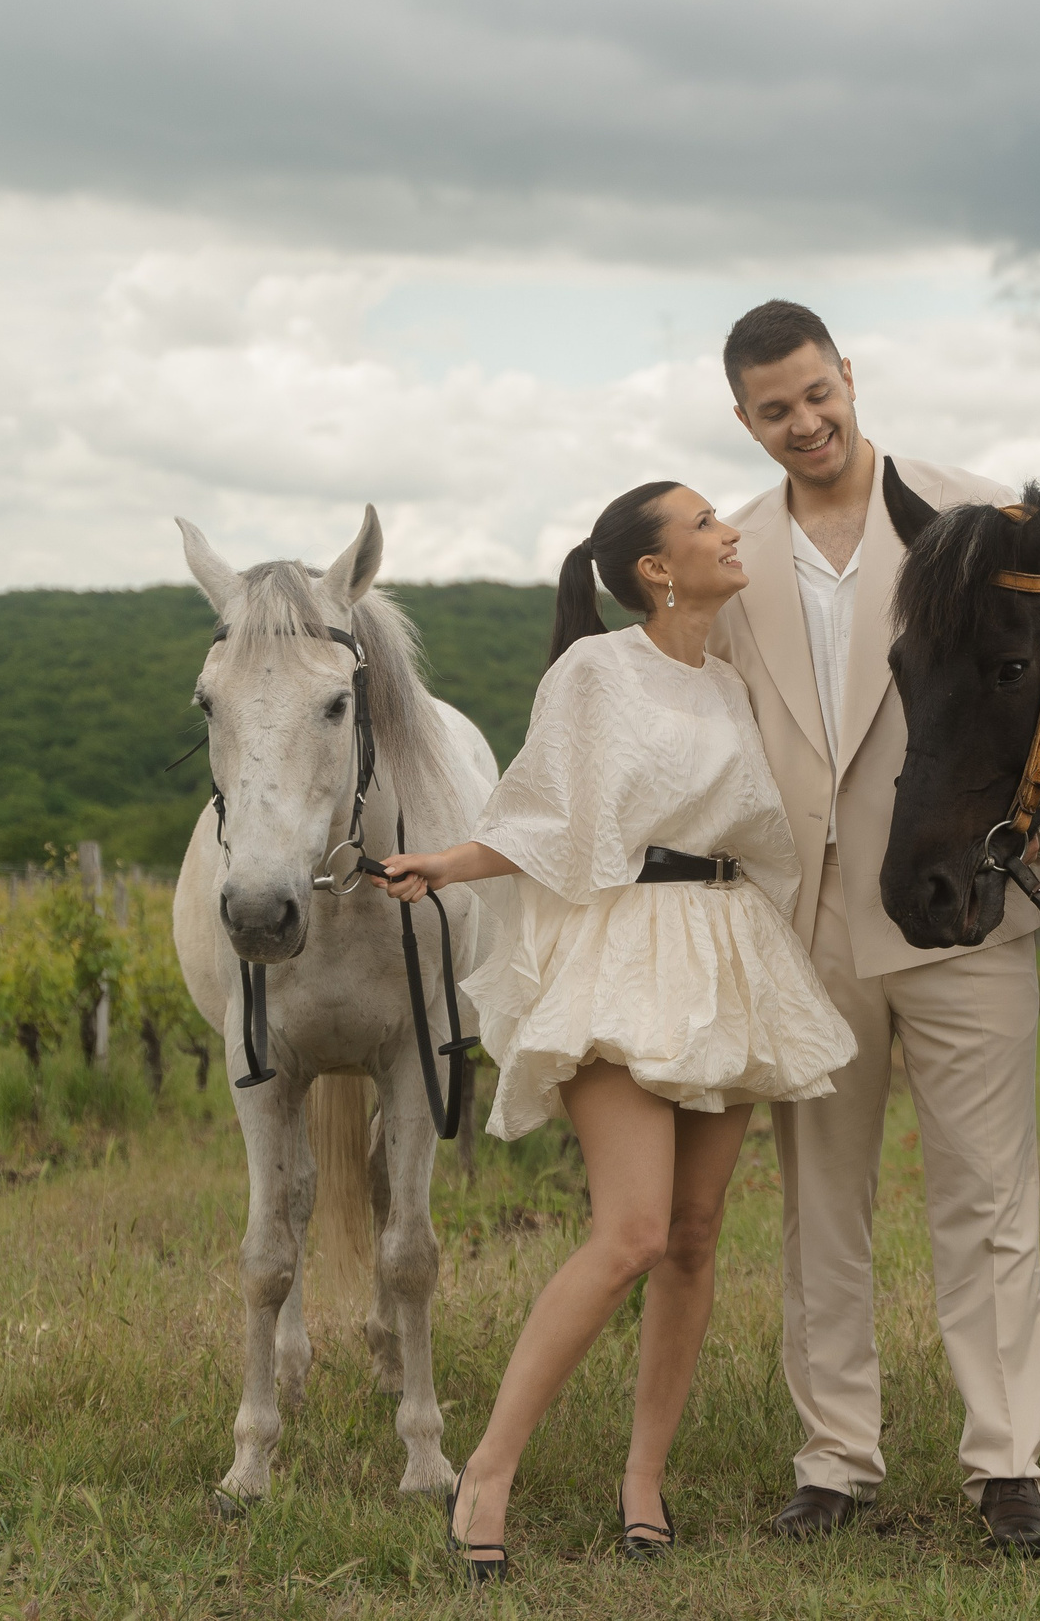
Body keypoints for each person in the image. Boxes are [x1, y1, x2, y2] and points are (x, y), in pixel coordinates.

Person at [377, 480, 857, 1583]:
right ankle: (488, 1471)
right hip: (625, 949)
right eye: (705, 524)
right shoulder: (595, 670)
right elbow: (543, 811)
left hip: (726, 953)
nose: (730, 530)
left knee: (694, 1236)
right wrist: (446, 862)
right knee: (630, 1230)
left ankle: (644, 1476)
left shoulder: (733, 683)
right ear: (655, 567)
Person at [704, 300, 1040, 1556]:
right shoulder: (732, 552)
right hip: (803, 921)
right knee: (823, 1199)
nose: (804, 422)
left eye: (816, 393)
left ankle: (1007, 1460)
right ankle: (835, 1458)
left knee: (987, 1192)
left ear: (849, 376)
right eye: (773, 410)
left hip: (965, 907)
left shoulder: (978, 519)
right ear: (743, 421)